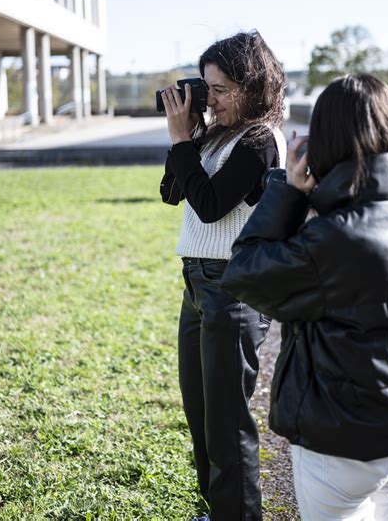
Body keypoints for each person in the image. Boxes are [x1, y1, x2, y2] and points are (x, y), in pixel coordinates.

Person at [221, 74, 388, 521]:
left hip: (342, 440)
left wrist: (289, 190)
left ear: (326, 140)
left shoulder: (331, 238)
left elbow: (245, 272)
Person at [159, 30, 287, 521]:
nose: (208, 100)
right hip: (197, 287)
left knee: (228, 425)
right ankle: (216, 511)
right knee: (202, 416)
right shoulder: (215, 133)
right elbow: (174, 193)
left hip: (233, 290)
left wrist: (180, 143)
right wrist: (186, 136)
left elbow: (211, 207)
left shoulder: (260, 140)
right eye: (205, 87)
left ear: (252, 86)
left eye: (218, 90)